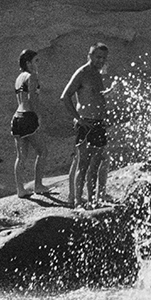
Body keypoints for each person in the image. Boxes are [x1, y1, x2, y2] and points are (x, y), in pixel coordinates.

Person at [60, 43, 110, 207]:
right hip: (86, 123)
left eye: (103, 58)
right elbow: (65, 96)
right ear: (90, 56)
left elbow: (95, 96)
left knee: (96, 164)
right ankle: (77, 202)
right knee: (83, 164)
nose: (100, 61)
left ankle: (91, 200)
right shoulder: (82, 73)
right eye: (97, 57)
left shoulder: (97, 73)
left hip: (98, 123)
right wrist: (78, 118)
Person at [11, 49, 46, 198]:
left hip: (16, 118)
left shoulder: (19, 78)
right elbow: (33, 99)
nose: (38, 63)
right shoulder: (32, 76)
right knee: (43, 152)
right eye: (36, 61)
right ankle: (38, 185)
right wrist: (39, 117)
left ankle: (20, 189)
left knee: (21, 156)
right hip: (27, 117)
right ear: (28, 63)